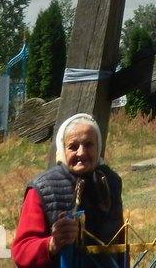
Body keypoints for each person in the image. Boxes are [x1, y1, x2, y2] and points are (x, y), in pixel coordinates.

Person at [12, 113, 124, 267]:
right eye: (73, 147)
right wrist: (52, 244)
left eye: (89, 144)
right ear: (62, 150)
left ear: (98, 147)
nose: (81, 152)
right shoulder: (43, 188)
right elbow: (22, 251)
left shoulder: (110, 182)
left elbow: (121, 241)